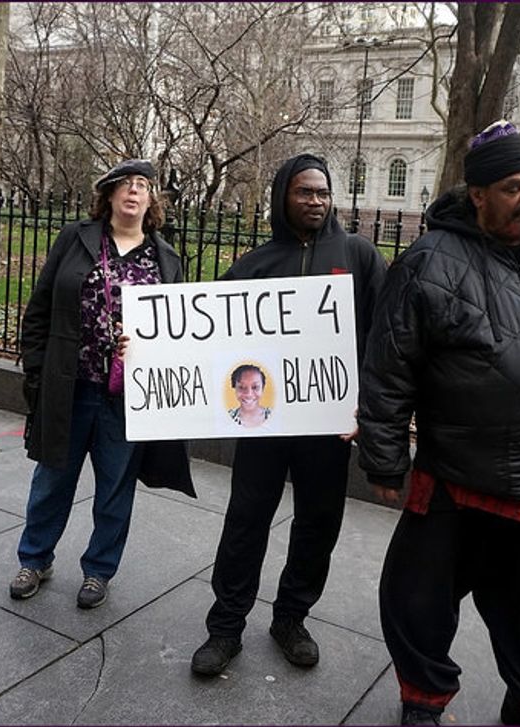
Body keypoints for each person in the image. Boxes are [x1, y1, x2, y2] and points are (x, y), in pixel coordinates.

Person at [357, 121, 520, 726]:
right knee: (418, 602)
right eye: (512, 187)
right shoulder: (427, 263)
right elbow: (389, 368)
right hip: (455, 476)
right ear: (477, 194)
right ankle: (422, 698)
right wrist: (385, 458)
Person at [189, 153, 387, 675]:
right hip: (263, 425)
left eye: (323, 192)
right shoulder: (255, 267)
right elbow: (197, 333)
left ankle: (291, 619)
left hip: (328, 427)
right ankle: (226, 627)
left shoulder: (359, 256)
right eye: (305, 192)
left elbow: (387, 337)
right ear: (284, 197)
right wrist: (140, 344)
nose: (316, 201)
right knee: (245, 522)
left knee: (319, 524)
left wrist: (369, 406)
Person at [12, 159, 194, 610]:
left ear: (152, 200)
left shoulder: (165, 259)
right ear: (110, 194)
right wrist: (35, 370)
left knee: (116, 487)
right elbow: (40, 308)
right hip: (71, 388)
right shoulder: (76, 239)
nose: (134, 192)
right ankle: (34, 559)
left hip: (126, 400)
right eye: (126, 185)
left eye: (143, 186)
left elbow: (179, 332)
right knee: (52, 479)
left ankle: (99, 570)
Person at [228, 364, 272, 428]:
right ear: (235, 388)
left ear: (262, 388)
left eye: (255, 387)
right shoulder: (226, 418)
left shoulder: (274, 415)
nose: (249, 394)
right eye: (242, 387)